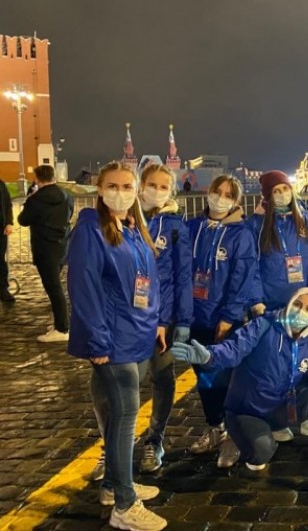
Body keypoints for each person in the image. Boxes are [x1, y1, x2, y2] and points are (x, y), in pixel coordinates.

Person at [171, 287, 308, 505]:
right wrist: (209, 356)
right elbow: (234, 349)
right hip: (247, 411)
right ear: (289, 303)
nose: (301, 312)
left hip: (281, 409)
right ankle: (236, 437)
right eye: (298, 304)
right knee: (261, 453)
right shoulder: (262, 326)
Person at [67, 162, 166, 531]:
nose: (120, 192)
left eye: (127, 186)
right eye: (113, 185)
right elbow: (84, 287)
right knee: (125, 419)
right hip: (112, 341)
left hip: (136, 335)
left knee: (116, 418)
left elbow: (146, 282)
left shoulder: (134, 228)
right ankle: (124, 504)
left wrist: (154, 323)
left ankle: (113, 484)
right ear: (100, 188)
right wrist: (96, 340)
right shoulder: (90, 230)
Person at [186, 175, 260, 466]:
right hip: (195, 316)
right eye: (217, 191)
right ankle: (215, 426)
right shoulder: (192, 227)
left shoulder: (240, 234)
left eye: (229, 195)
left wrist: (229, 317)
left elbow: (242, 279)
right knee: (204, 378)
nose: (221, 198)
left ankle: (233, 435)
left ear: (236, 201)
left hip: (224, 320)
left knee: (227, 379)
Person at [136, 164, 193, 473]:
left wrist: (182, 320)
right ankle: (112, 445)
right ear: (141, 184)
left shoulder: (175, 227)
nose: (156, 191)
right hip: (127, 317)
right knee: (121, 384)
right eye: (152, 184)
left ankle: (154, 439)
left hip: (163, 319)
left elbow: (183, 277)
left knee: (162, 378)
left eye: (163, 186)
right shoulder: (127, 219)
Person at [249, 170, 308, 312]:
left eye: (285, 188)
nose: (282, 194)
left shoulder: (304, 223)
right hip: (269, 306)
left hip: (301, 305)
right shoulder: (257, 224)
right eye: (276, 191)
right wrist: (256, 300)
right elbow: (251, 265)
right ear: (268, 196)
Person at [17, 165, 74, 341]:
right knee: (55, 285)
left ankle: (62, 328)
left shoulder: (36, 199)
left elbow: (23, 220)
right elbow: (69, 214)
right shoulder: (66, 195)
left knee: (54, 288)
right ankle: (61, 322)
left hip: (44, 248)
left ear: (37, 179)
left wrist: (30, 199)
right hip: (61, 246)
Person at [0, 178, 14, 303]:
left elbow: (8, 204)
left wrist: (9, 222)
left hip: (1, 229)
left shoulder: (1, 184)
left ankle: (2, 288)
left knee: (0, 259)